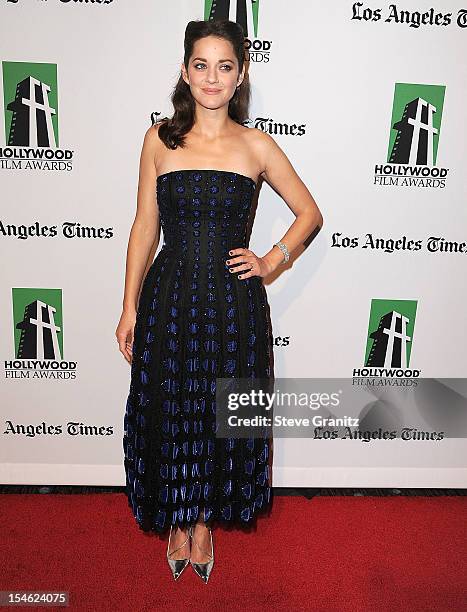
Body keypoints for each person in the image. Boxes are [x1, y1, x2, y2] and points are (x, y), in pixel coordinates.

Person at [115, 18, 323, 583]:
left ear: (241, 75)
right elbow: (143, 227)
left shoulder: (256, 144)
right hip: (170, 298)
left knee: (215, 410)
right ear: (185, 72)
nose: (212, 77)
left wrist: (269, 260)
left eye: (224, 66)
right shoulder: (160, 139)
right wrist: (130, 305)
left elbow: (310, 214)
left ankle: (203, 522)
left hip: (233, 307)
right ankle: (177, 518)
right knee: (172, 407)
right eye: (201, 65)